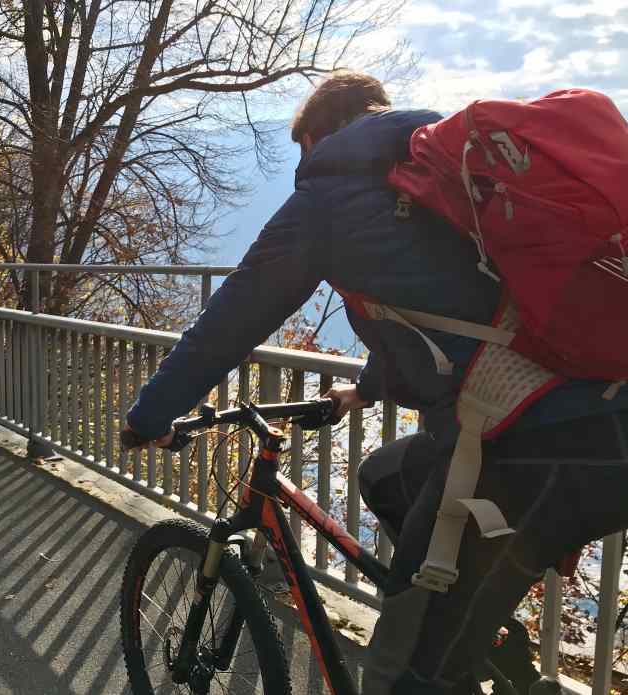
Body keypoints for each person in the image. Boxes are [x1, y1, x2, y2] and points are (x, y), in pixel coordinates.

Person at [122, 72, 628, 695]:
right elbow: (449, 310)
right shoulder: (448, 174)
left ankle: (441, 650)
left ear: (317, 136)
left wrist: (148, 417)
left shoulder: (332, 197)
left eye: (300, 151)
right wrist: (364, 389)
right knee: (387, 477)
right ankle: (479, 637)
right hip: (600, 421)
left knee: (399, 676)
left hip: (532, 446)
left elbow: (231, 319)